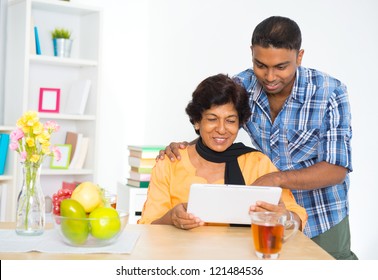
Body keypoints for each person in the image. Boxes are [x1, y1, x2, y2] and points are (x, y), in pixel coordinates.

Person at [160, 16, 357, 260]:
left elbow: (336, 169)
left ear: (299, 56)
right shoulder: (242, 85)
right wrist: (183, 147)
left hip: (322, 212)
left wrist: (275, 179)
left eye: (281, 67)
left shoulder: (330, 91)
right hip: (266, 216)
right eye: (260, 65)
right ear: (252, 53)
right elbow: (220, 124)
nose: (270, 77)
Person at [138, 74, 307, 230]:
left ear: (239, 123)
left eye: (230, 121)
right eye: (212, 119)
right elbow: (147, 226)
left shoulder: (257, 163)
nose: (221, 129)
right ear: (197, 121)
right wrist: (171, 218)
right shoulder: (171, 162)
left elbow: (297, 217)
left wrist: (285, 217)